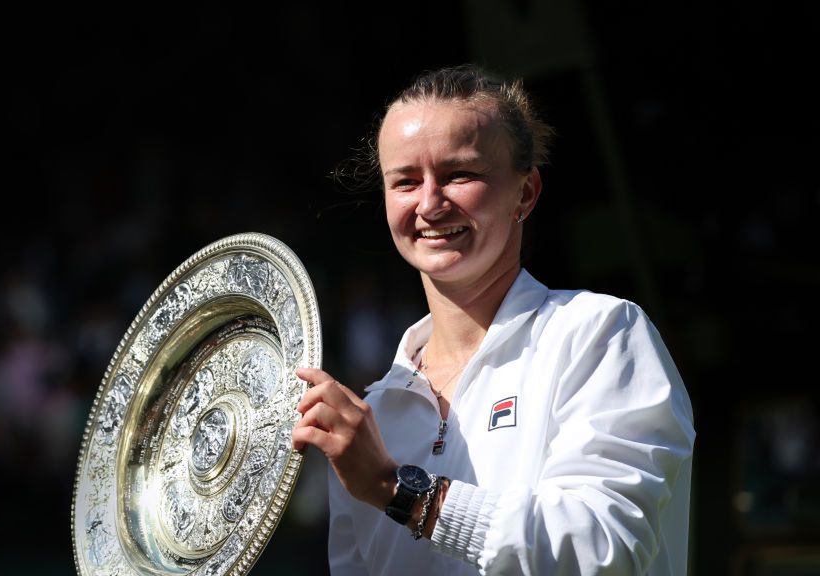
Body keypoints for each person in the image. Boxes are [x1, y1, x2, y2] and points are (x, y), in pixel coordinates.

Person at [291, 64, 695, 575]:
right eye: (406, 181)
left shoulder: (600, 334)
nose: (430, 204)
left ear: (525, 194)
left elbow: (605, 549)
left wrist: (400, 492)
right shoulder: (372, 417)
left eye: (461, 174)